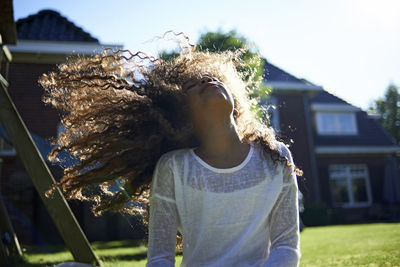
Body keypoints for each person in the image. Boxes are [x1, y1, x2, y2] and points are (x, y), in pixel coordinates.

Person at [40, 37, 301, 266]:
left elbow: (287, 248)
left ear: (235, 105)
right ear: (179, 116)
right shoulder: (174, 167)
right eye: (192, 86)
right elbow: (160, 258)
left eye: (212, 79)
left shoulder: (275, 156)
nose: (208, 81)